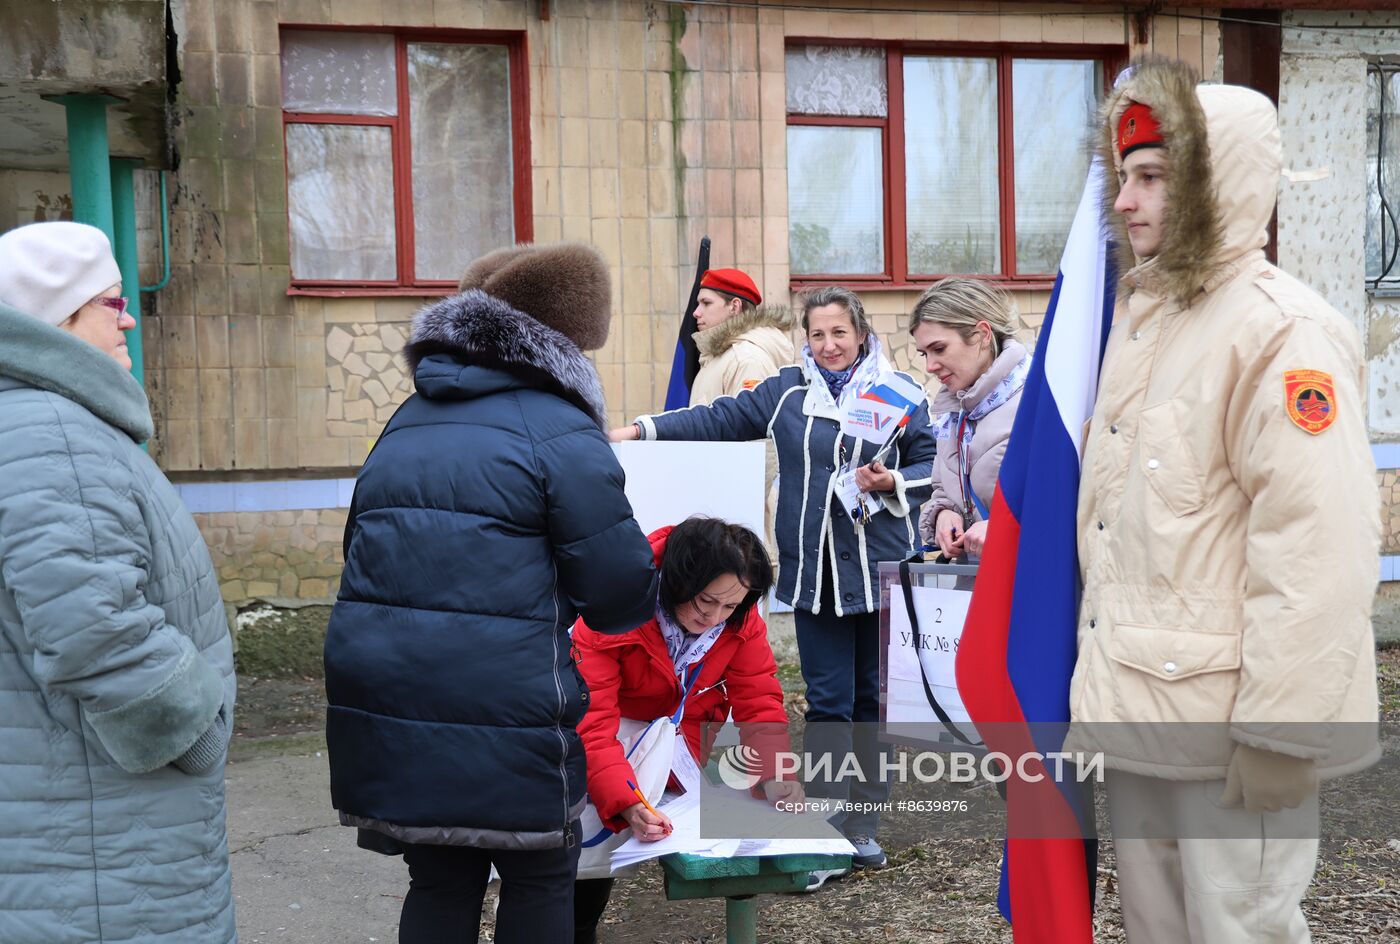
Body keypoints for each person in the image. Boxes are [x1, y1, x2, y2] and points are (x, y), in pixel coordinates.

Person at [1072, 58, 1380, 943]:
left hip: (1232, 737)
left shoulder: (1282, 332)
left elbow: (1319, 551)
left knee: (1239, 929)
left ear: (1219, 184)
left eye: (1154, 178)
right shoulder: (1147, 321)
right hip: (1145, 716)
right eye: (1123, 177)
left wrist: (1284, 733)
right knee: (1158, 930)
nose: (1127, 201)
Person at [324, 242, 660, 944]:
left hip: (394, 702)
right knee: (538, 875)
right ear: (568, 340)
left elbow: (361, 549)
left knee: (439, 880)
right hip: (510, 704)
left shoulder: (404, 422)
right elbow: (619, 596)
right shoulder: (562, 431)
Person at [611, 286, 937, 883]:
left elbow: (930, 466)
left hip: (879, 572)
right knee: (830, 701)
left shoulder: (903, 393)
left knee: (874, 703)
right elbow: (717, 418)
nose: (829, 345)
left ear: (861, 334)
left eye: (839, 333)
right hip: (815, 574)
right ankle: (826, 821)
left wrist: (892, 481)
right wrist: (639, 432)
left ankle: (863, 824)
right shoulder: (787, 389)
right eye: (817, 334)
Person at [0, 221, 237, 942]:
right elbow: (93, 628)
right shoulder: (52, 433)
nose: (129, 315)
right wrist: (191, 729)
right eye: (110, 300)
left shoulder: (42, 423)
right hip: (106, 847)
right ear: (57, 318)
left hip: (88, 831)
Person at [571, 517, 802, 942]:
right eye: (704, 602)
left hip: (675, 748)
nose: (714, 618)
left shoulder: (740, 621)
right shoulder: (615, 606)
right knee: (580, 881)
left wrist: (775, 774)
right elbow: (591, 722)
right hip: (606, 750)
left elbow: (759, 700)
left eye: (730, 606)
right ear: (677, 581)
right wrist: (626, 801)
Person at [909, 278, 1030, 561]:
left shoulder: (1040, 400)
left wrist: (1004, 528)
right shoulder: (953, 411)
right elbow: (944, 486)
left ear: (982, 334)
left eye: (939, 349)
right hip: (977, 585)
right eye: (924, 353)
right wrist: (944, 513)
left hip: (1027, 583)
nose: (929, 366)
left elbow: (1066, 497)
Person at [689, 267, 795, 406]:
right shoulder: (717, 357)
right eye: (698, 304)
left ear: (734, 306)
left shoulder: (747, 360)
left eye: (706, 303)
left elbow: (750, 425)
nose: (696, 313)